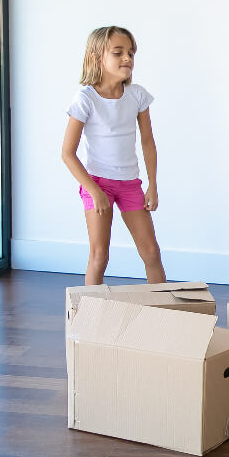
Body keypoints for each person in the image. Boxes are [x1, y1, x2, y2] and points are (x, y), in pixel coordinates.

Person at [61, 26, 166, 285]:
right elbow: (67, 153)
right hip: (97, 183)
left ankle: (165, 317)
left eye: (130, 53)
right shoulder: (86, 99)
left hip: (130, 184)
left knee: (151, 252)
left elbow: (148, 142)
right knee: (99, 256)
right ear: (97, 57)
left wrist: (152, 185)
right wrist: (93, 191)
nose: (127, 58)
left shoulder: (137, 95)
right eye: (118, 53)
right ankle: (87, 322)